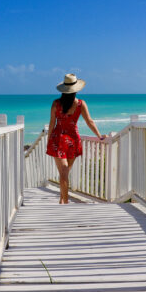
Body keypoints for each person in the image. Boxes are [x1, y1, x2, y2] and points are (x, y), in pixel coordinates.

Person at [46, 74, 106, 204]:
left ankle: (62, 199)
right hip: (73, 140)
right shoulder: (80, 104)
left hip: (58, 139)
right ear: (76, 89)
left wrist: (49, 140)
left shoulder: (56, 103)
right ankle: (65, 203)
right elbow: (89, 121)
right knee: (65, 172)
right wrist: (99, 136)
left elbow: (52, 123)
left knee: (64, 173)